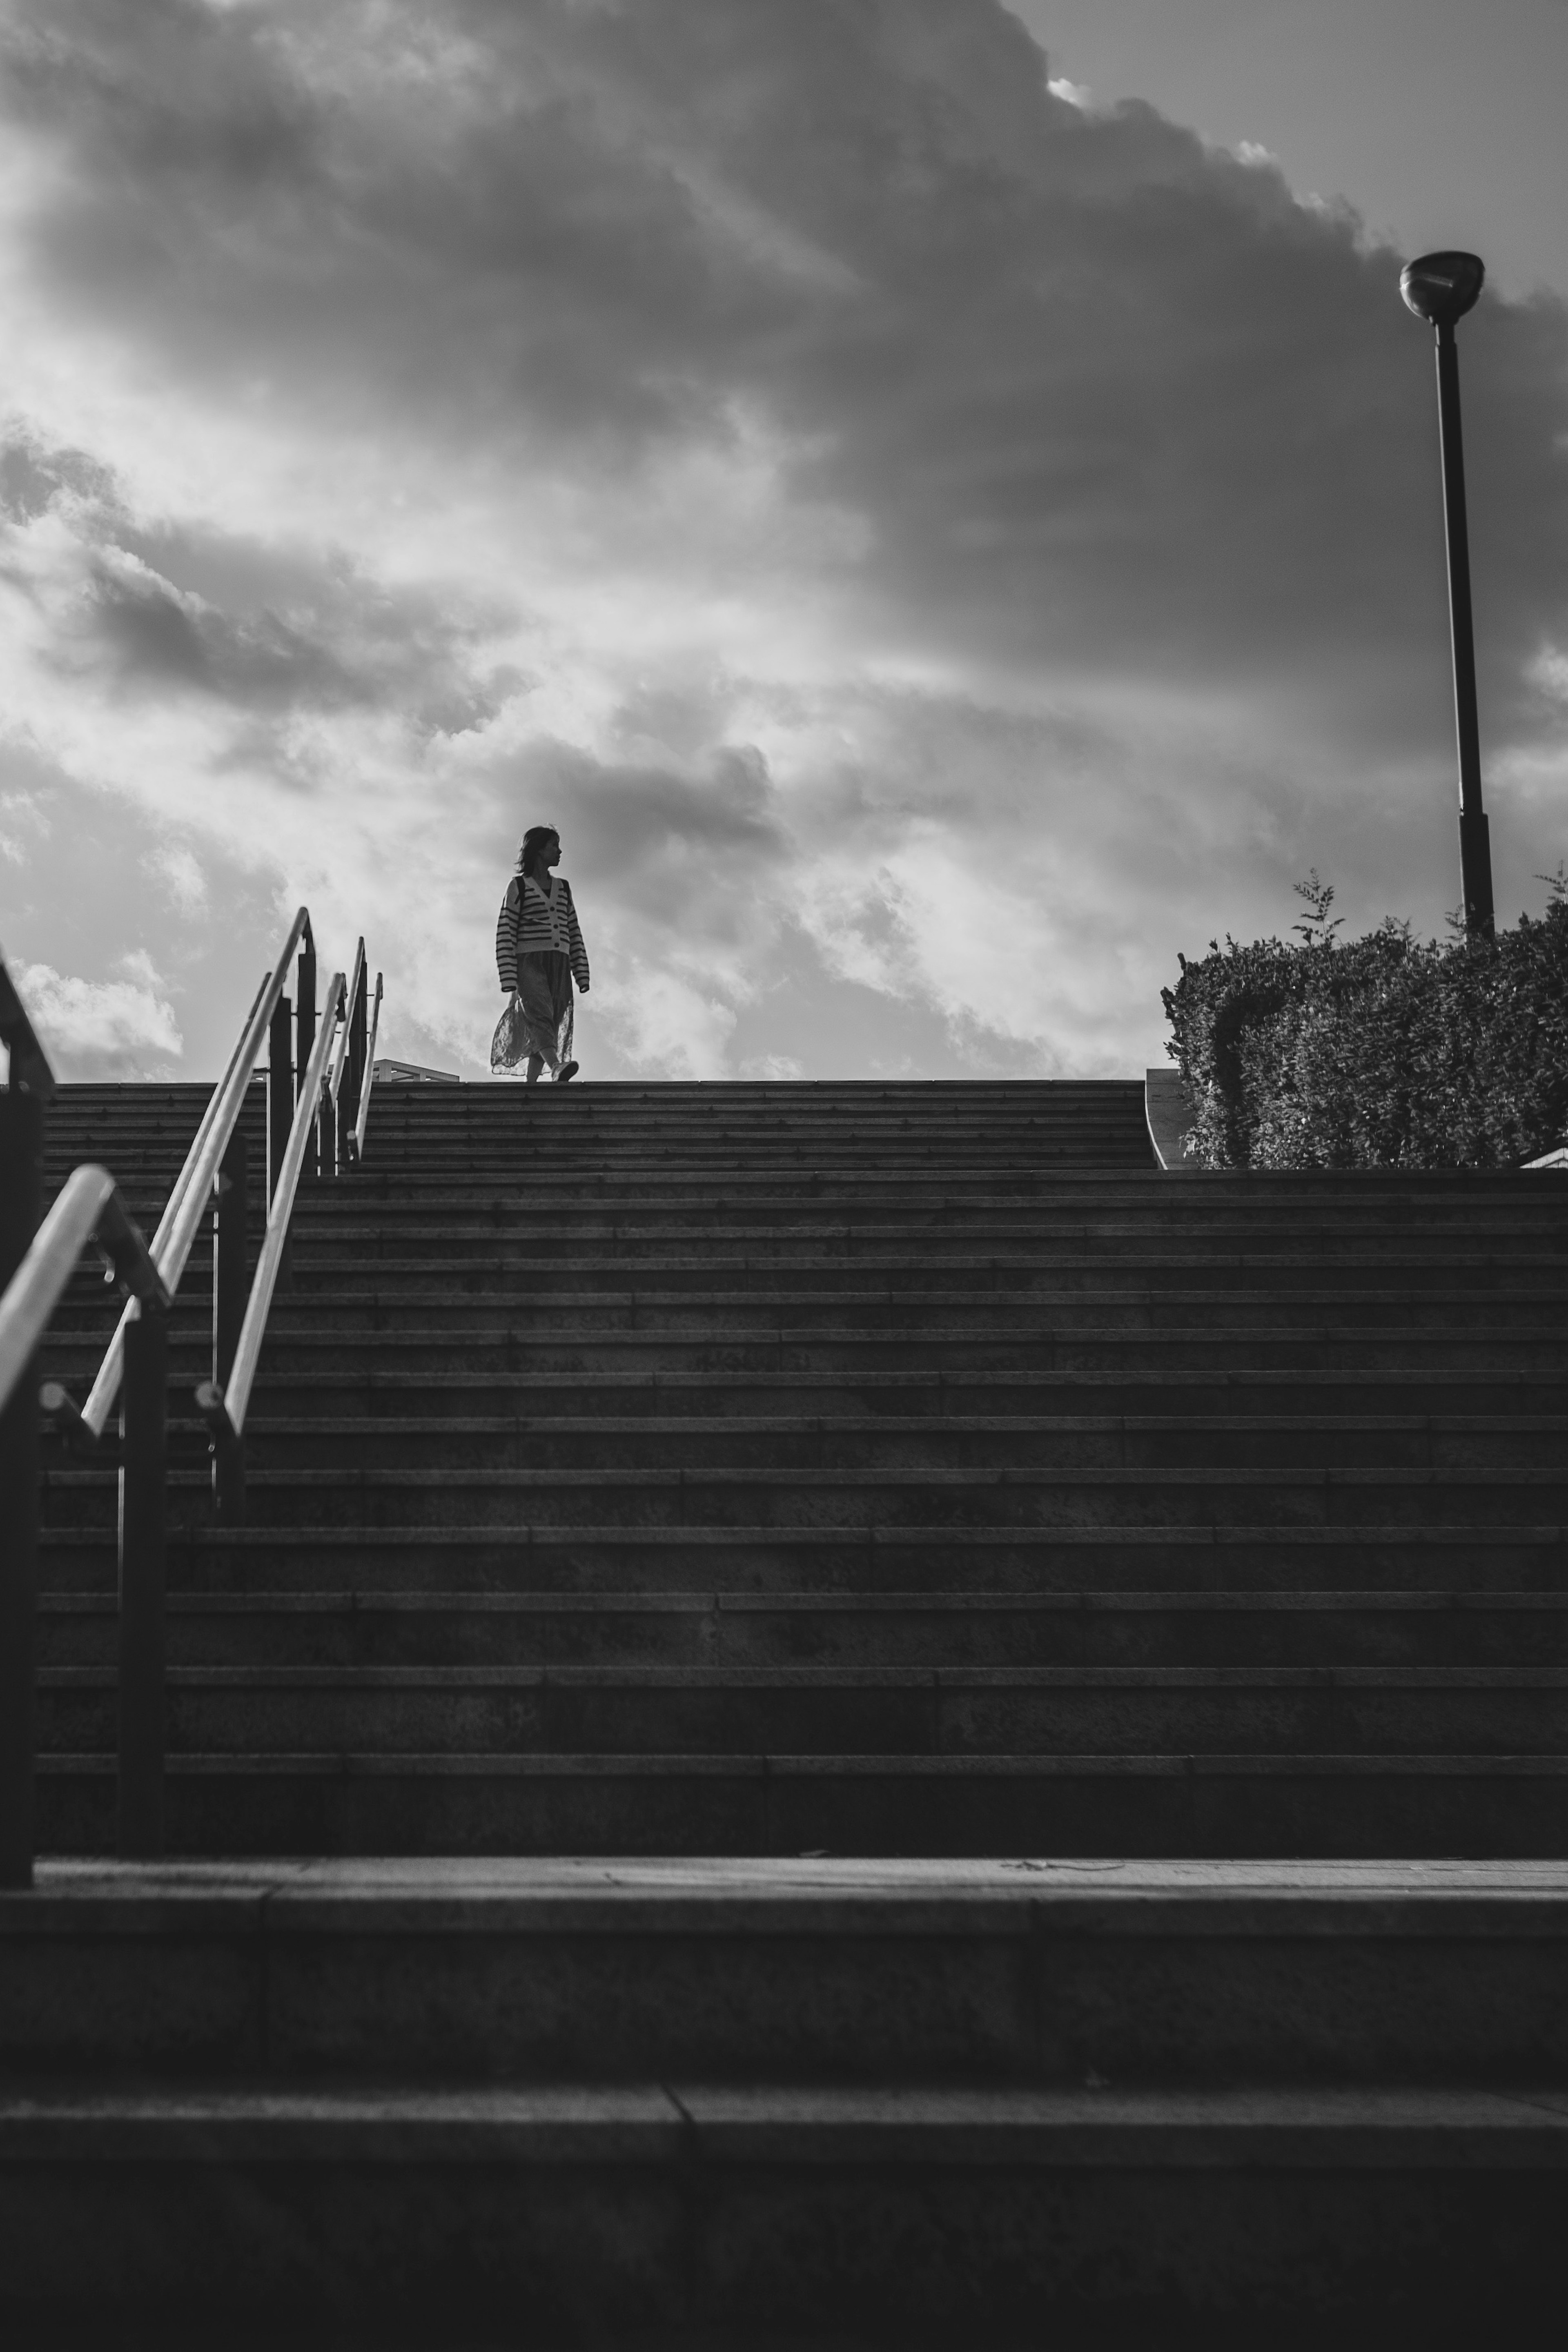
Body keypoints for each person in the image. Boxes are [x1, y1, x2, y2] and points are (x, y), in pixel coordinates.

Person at [492, 824, 591, 1083]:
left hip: (560, 963)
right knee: (539, 1014)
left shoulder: (563, 888)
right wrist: (509, 977)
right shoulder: (518, 887)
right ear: (538, 850)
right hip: (530, 962)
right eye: (554, 846)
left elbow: (573, 929)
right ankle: (557, 1066)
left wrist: (581, 971)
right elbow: (506, 931)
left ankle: (531, 1086)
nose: (559, 852)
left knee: (552, 1020)